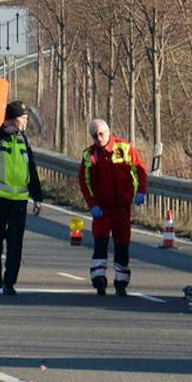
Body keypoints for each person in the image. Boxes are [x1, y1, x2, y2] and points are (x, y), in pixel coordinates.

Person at [79, 117, 148, 297]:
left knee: (122, 246)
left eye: (101, 134)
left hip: (122, 208)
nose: (99, 138)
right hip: (102, 210)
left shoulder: (124, 148)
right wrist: (92, 204)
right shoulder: (89, 155)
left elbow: (140, 170)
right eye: (94, 136)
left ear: (108, 132)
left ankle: (121, 282)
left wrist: (141, 192)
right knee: (100, 245)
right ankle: (99, 280)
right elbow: (84, 182)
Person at [0, 101, 44, 294]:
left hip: (19, 200)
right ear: (12, 119)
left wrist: (37, 197)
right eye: (23, 118)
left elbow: (31, 168)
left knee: (15, 243)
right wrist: (3, 131)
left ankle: (9, 282)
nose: (26, 122)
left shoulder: (24, 140)